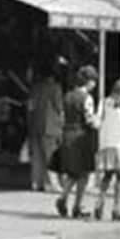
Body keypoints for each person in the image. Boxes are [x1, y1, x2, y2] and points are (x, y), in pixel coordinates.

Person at [56, 66, 99, 219]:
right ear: (88, 81)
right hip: (81, 138)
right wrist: (99, 122)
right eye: (93, 81)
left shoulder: (67, 96)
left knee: (73, 173)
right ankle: (77, 206)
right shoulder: (87, 98)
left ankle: (63, 198)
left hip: (67, 134)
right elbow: (89, 120)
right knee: (84, 174)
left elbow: (61, 117)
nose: (94, 84)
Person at [94, 79, 120, 222]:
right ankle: (116, 209)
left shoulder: (104, 103)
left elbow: (98, 121)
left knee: (107, 175)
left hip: (107, 143)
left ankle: (100, 202)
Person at [26, 58, 65, 192]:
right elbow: (59, 108)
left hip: (35, 125)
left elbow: (30, 107)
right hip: (50, 126)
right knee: (50, 156)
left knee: (37, 156)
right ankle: (50, 184)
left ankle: (36, 183)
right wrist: (62, 125)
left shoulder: (34, 88)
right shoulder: (55, 88)